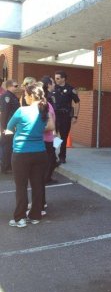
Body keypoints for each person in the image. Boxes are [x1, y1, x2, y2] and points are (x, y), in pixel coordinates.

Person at [6, 82, 54, 228]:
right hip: (40, 152)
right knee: (37, 185)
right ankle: (35, 216)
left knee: (21, 186)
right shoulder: (45, 111)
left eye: (26, 95)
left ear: (31, 96)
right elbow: (48, 127)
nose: (24, 97)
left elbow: (9, 127)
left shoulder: (21, 111)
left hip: (21, 153)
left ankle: (20, 218)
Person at [52, 70, 80, 163]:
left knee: (64, 136)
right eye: (55, 78)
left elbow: (77, 103)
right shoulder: (53, 88)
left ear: (63, 79)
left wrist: (75, 116)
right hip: (55, 115)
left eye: (58, 78)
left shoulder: (70, 89)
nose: (56, 80)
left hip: (65, 116)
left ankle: (62, 156)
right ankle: (53, 154)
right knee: (54, 135)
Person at [40, 75, 58, 185]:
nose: (54, 84)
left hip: (50, 136)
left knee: (51, 159)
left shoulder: (49, 98)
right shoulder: (45, 100)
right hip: (46, 137)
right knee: (50, 160)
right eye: (53, 82)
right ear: (48, 85)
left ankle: (46, 178)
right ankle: (45, 179)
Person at [0, 79, 20, 173]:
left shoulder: (13, 96)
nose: (17, 87)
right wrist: (3, 128)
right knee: (7, 147)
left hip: (13, 125)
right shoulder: (6, 97)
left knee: (10, 146)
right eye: (15, 86)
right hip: (8, 126)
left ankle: (9, 166)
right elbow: (5, 113)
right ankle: (5, 167)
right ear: (9, 86)